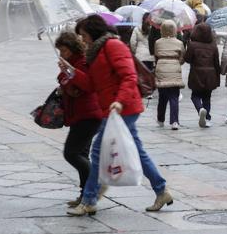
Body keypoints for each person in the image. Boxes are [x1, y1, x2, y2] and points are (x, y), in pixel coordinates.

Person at [59, 15, 172, 216]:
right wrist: (72, 72)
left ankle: (89, 200)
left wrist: (119, 101)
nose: (82, 39)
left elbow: (128, 76)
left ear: (93, 32)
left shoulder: (113, 46)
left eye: (84, 35)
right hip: (112, 108)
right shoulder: (95, 52)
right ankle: (161, 190)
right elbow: (93, 85)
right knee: (138, 151)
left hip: (122, 108)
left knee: (96, 151)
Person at [55, 32, 103, 208]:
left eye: (64, 51)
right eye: (60, 51)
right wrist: (64, 73)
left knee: (71, 153)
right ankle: (86, 195)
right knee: (82, 154)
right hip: (80, 114)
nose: (62, 55)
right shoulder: (73, 62)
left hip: (88, 115)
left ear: (73, 48)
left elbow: (83, 87)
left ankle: (94, 187)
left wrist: (67, 73)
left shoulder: (82, 61)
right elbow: (69, 84)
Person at [185, 22, 220, 128]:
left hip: (196, 74)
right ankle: (207, 118)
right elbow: (216, 63)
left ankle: (200, 109)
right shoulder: (213, 46)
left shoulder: (192, 45)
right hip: (210, 75)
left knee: (195, 95)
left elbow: (187, 59)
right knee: (207, 97)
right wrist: (218, 76)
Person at [154, 20, 185, 130]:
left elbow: (156, 55)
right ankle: (174, 121)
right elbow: (182, 58)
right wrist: (177, 62)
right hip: (174, 68)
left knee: (162, 97)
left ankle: (160, 119)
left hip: (161, 67)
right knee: (174, 97)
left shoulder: (158, 42)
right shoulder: (179, 43)